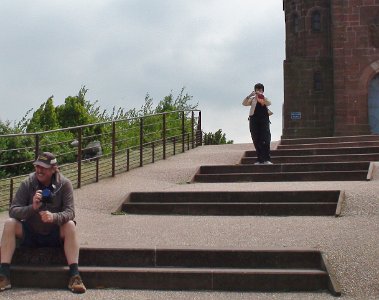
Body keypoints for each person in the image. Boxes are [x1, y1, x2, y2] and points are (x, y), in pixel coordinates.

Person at [0, 152, 86, 293]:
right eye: (37, 166)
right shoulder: (27, 183)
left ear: (54, 168)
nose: (39, 170)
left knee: (70, 225)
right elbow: (13, 210)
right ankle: (4, 275)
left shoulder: (64, 184)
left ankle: (74, 276)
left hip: (54, 233)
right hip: (30, 232)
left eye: (44, 168)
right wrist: (32, 208)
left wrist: (54, 217)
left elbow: (70, 212)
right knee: (10, 223)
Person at [242, 83, 273, 165]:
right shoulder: (252, 99)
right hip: (253, 120)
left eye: (260, 90)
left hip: (264, 119)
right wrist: (250, 95)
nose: (258, 91)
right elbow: (244, 103)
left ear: (262, 91)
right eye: (257, 90)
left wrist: (261, 96)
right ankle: (260, 160)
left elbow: (269, 103)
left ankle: (267, 159)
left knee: (266, 139)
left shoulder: (264, 98)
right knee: (256, 139)